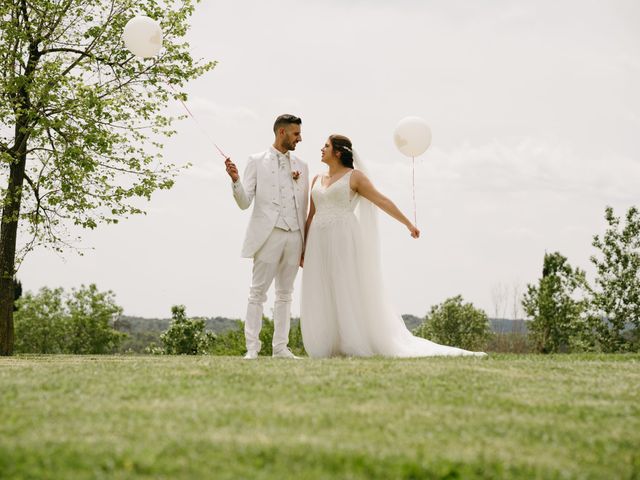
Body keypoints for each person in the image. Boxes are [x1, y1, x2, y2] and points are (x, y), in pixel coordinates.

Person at [300, 134, 486, 358]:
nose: (322, 149)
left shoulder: (354, 177)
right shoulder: (316, 179)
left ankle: (352, 341)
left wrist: (408, 223)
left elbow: (382, 201)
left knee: (344, 285)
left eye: (326, 146)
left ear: (338, 152)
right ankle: (327, 343)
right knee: (321, 287)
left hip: (343, 239)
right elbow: (310, 216)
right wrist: (303, 249)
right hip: (318, 242)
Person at [225, 114, 309, 359]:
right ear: (281, 132)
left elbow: (302, 205)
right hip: (267, 235)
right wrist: (235, 180)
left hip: (295, 235)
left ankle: (280, 348)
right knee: (257, 293)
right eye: (296, 134)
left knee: (285, 294)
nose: (300, 138)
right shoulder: (256, 161)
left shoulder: (302, 166)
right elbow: (244, 202)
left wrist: (305, 243)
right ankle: (252, 348)